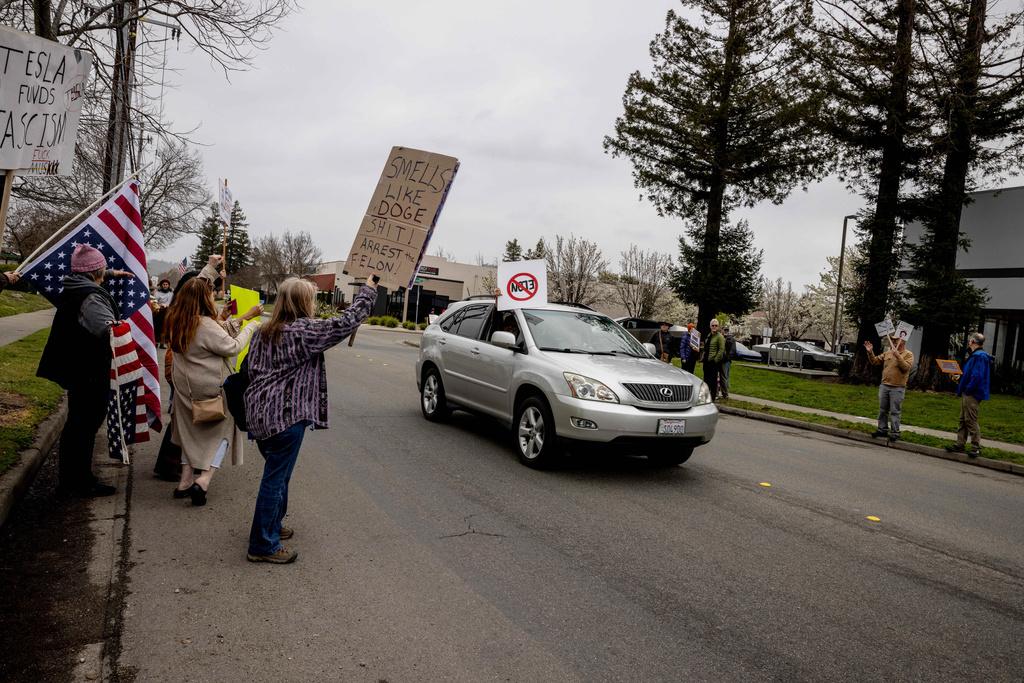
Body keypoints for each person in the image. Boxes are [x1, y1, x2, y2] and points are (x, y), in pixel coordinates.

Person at [243, 277, 377, 564]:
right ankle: (263, 544)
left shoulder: (263, 331)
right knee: (275, 479)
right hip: (286, 415)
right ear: (303, 302)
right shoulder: (303, 331)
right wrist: (369, 289)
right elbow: (347, 322)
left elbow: (250, 369)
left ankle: (273, 525)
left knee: (279, 474)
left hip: (259, 413)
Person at [36, 245, 134, 497]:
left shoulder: (75, 286)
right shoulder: (91, 297)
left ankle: (75, 477)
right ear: (95, 272)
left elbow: (92, 274)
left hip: (76, 368)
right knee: (84, 425)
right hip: (88, 371)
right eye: (102, 270)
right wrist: (123, 326)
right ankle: (76, 482)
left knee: (79, 423)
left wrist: (114, 274)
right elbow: (107, 329)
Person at [165, 277, 261, 506]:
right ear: (203, 299)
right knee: (225, 433)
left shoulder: (175, 319)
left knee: (189, 432)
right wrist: (251, 326)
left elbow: (218, 331)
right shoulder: (205, 325)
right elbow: (231, 346)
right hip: (212, 389)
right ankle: (204, 480)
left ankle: (185, 480)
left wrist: (239, 318)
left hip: (185, 389)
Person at [946, 332, 992, 458]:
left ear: (973, 342)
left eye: (970, 340)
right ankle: (960, 444)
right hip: (969, 391)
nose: (968, 342)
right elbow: (970, 374)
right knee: (963, 419)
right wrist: (959, 378)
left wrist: (967, 388)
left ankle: (976, 447)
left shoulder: (979, 356)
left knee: (970, 419)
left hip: (972, 393)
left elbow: (977, 376)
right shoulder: (975, 355)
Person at [864, 335, 914, 442]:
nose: (894, 342)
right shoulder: (888, 352)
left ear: (903, 342)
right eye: (893, 340)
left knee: (895, 411)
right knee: (882, 410)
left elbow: (906, 368)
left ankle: (895, 432)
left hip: (898, 387)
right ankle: (882, 429)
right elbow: (874, 361)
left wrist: (898, 356)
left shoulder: (908, 354)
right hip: (885, 385)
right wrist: (870, 352)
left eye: (896, 340)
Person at [703, 320, 726, 401]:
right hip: (706, 361)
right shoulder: (709, 335)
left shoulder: (720, 337)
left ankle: (712, 398)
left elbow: (721, 350)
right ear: (710, 326)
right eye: (713, 325)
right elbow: (706, 347)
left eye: (716, 325)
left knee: (713, 381)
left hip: (713, 362)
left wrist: (715, 360)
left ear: (718, 326)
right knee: (706, 380)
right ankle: (706, 396)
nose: (714, 327)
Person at [720, 326, 736, 399]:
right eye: (724, 330)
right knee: (723, 377)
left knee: (724, 377)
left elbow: (732, 351)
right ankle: (723, 393)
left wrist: (726, 358)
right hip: (723, 360)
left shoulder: (730, 339)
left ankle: (725, 394)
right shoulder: (722, 338)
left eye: (727, 330)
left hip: (725, 361)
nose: (725, 331)